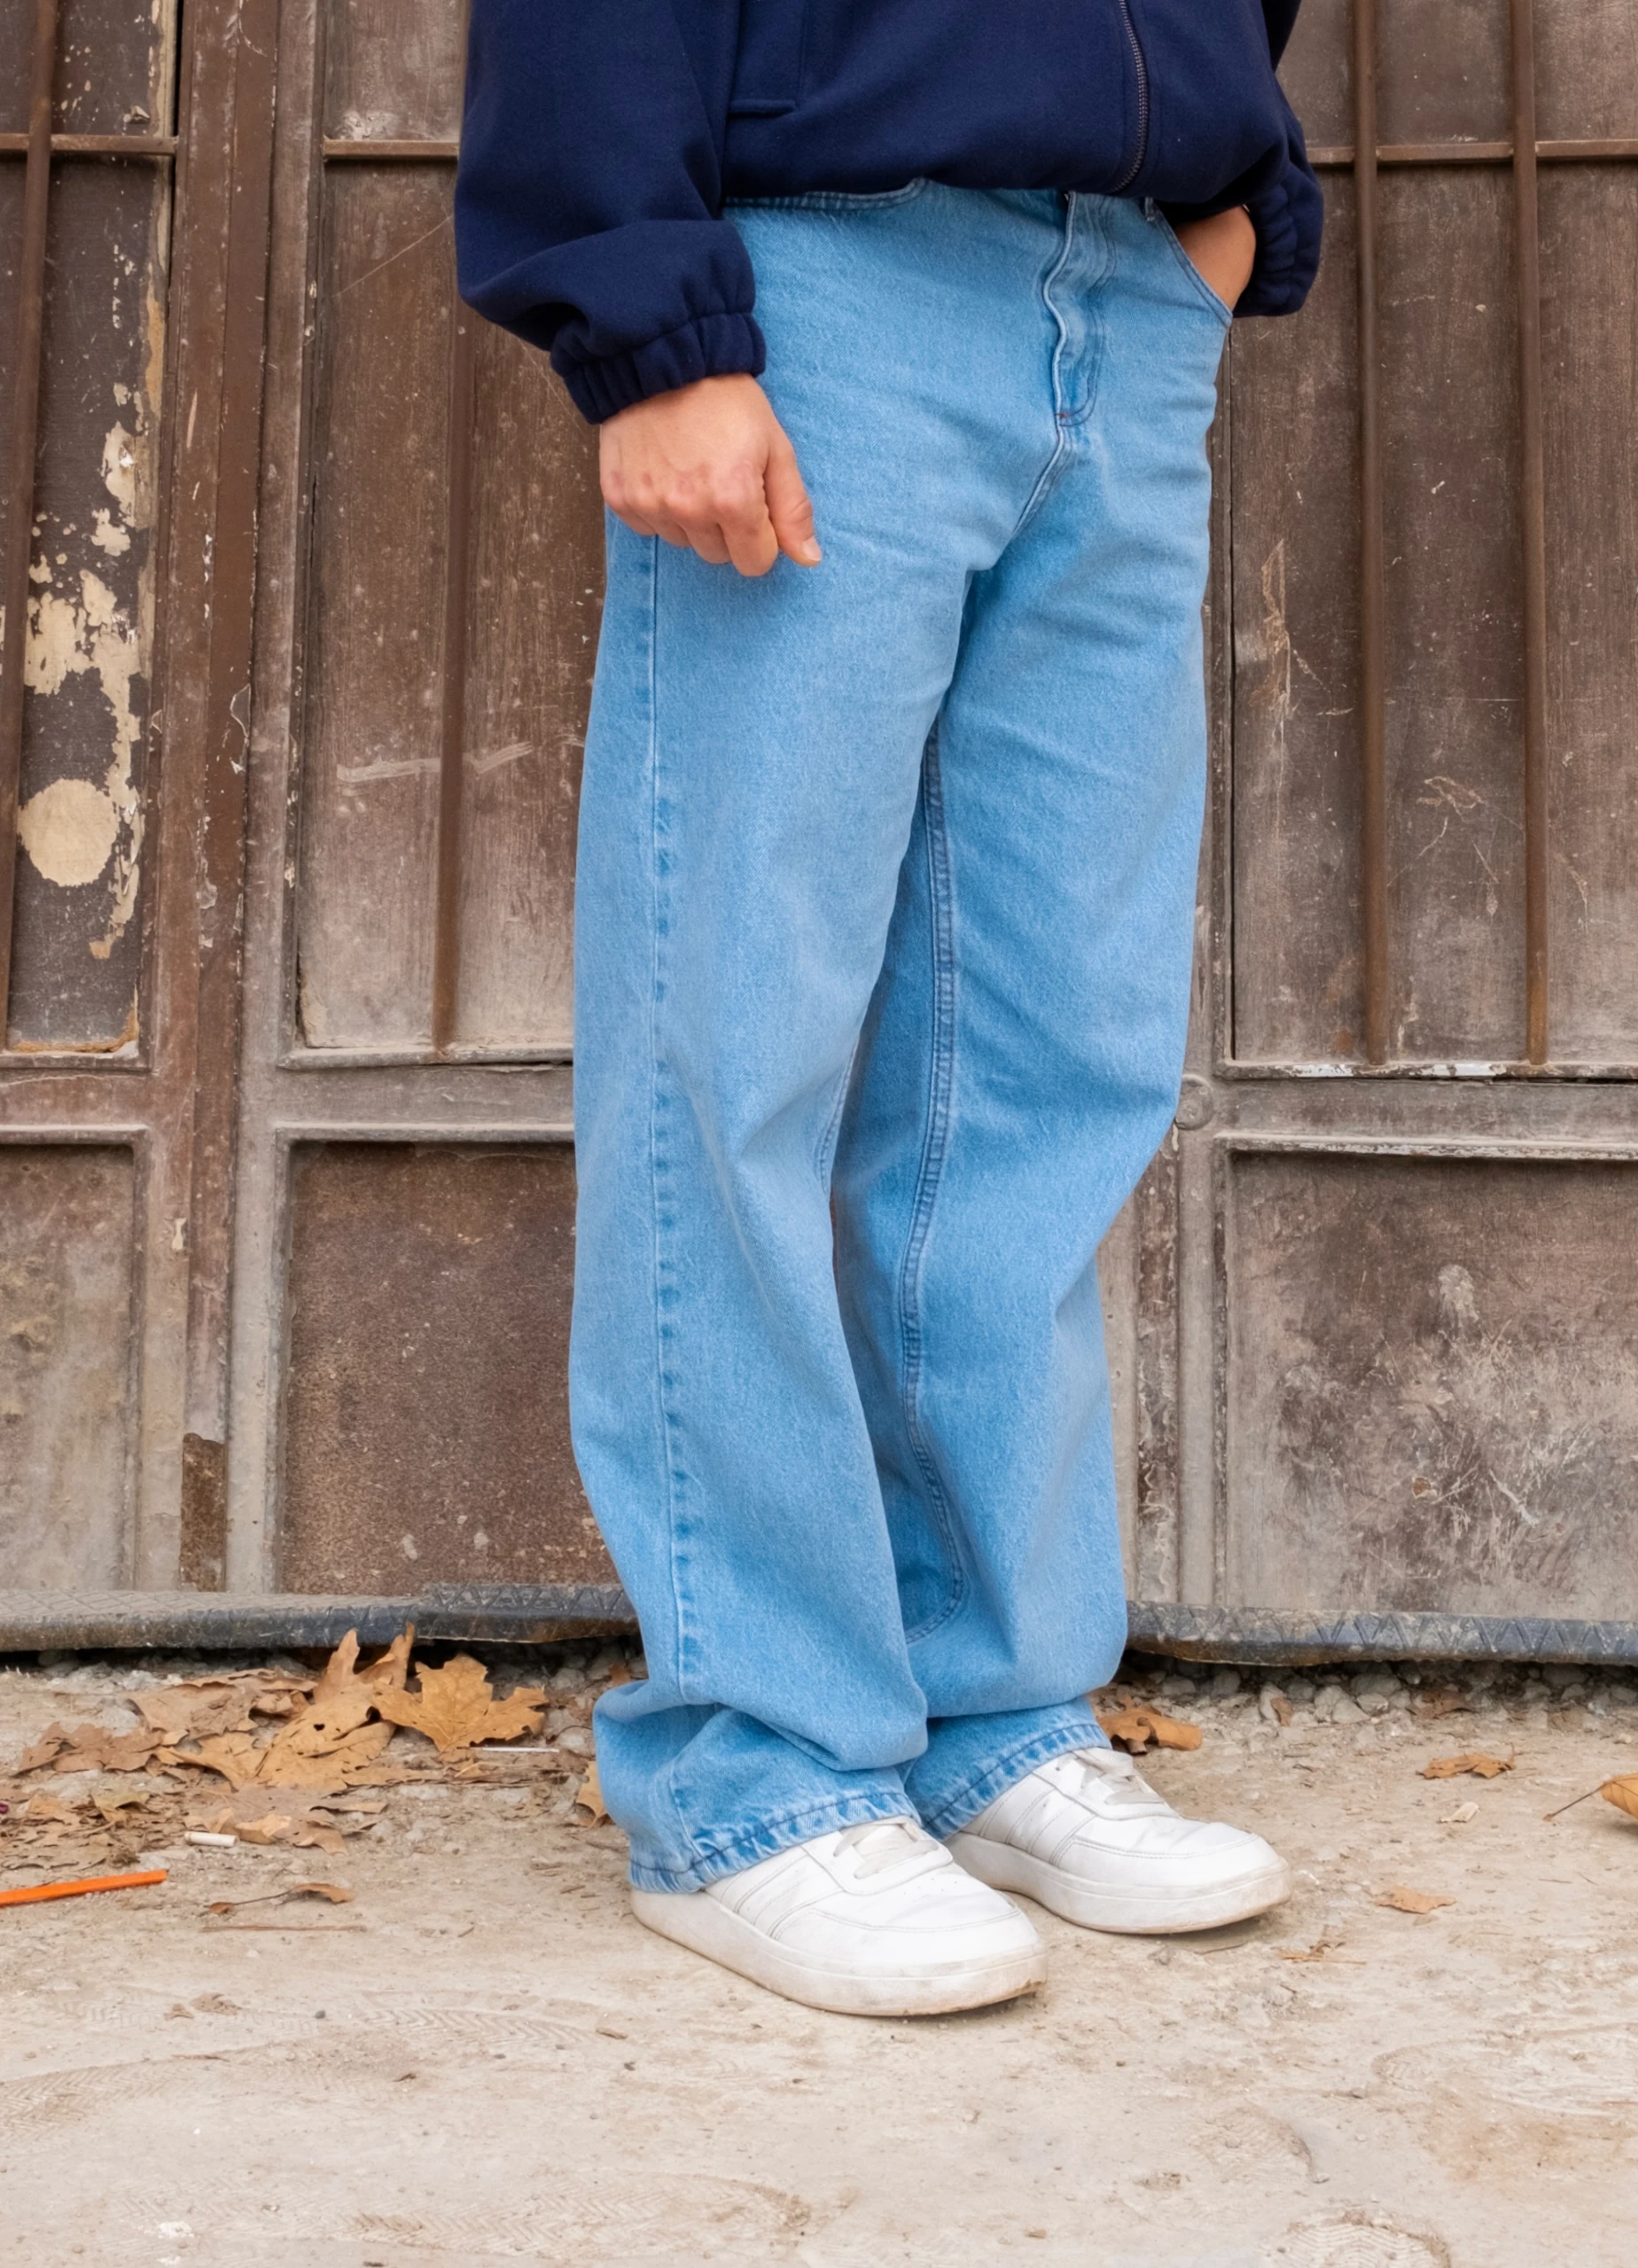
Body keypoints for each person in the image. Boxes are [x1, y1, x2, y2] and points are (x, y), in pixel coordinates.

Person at [456, 0, 1322, 2016]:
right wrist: (646, 314)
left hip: (1117, 291)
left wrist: (1228, 187)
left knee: (1044, 1056)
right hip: (828, 272)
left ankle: (993, 1717)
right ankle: (753, 1772)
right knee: (734, 1034)